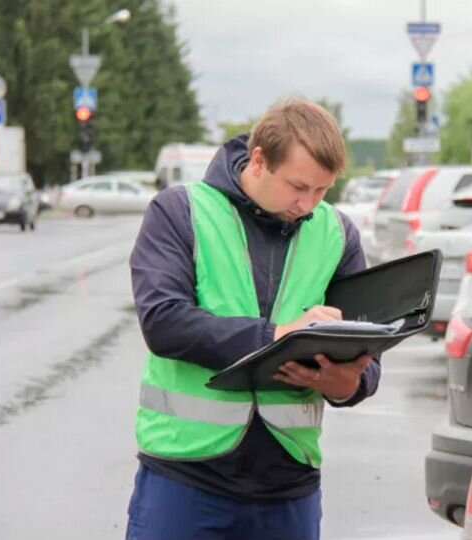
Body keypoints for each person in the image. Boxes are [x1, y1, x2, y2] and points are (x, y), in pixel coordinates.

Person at [126, 99, 381, 540]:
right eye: (299, 186)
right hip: (185, 479)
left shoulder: (338, 233)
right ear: (259, 160)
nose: (308, 204)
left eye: (323, 191)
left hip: (289, 489)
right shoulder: (179, 211)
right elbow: (164, 322)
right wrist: (279, 336)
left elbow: (366, 347)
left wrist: (351, 386)